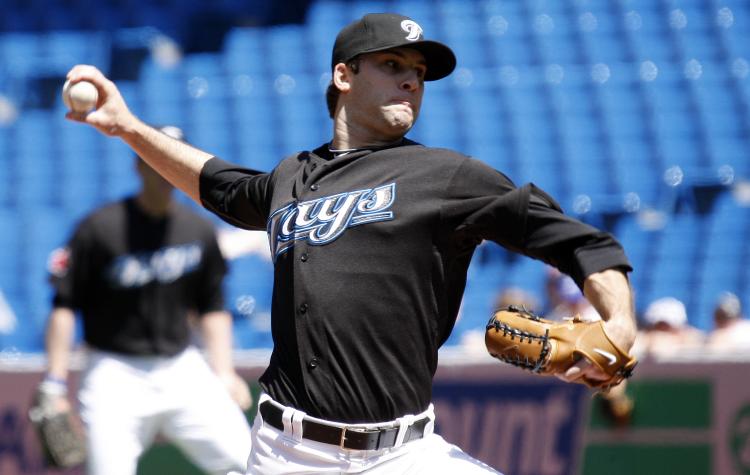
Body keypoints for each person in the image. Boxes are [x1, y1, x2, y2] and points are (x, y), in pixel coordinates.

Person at [62, 12, 637, 474]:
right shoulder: (292, 176)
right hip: (284, 453)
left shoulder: (447, 176)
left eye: (419, 71)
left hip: (404, 454)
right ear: (344, 76)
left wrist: (619, 322)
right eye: (392, 64)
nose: (412, 79)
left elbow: (580, 243)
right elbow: (219, 184)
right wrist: (128, 127)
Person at [38, 125, 253, 475]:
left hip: (181, 366)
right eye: (157, 160)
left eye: (173, 159)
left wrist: (224, 371)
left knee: (249, 462)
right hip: (113, 372)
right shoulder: (99, 228)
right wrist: (54, 381)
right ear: (139, 165)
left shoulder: (197, 230)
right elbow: (64, 306)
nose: (165, 170)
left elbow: (212, 307)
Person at [632, 296, 704, 359]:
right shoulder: (640, 339)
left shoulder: (692, 339)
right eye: (659, 327)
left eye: (668, 327)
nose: (663, 332)